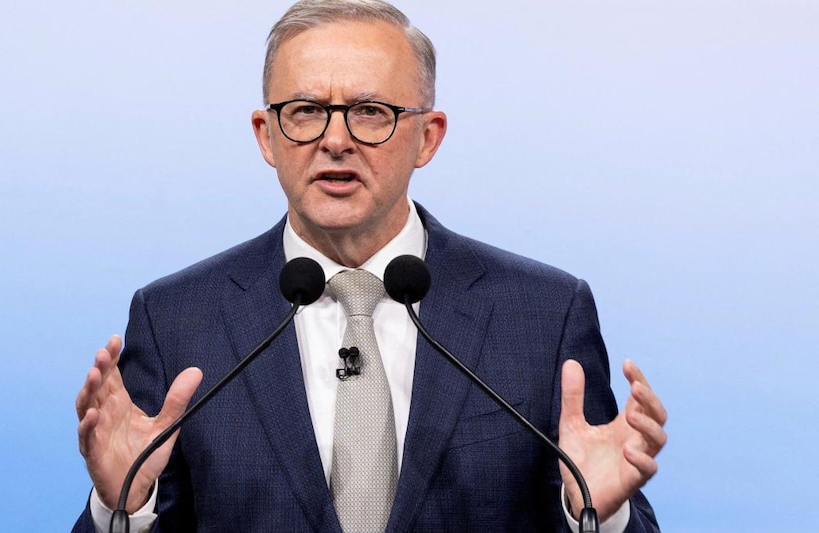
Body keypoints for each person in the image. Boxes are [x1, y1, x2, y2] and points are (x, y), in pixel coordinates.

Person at [73, 1, 667, 531]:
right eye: (305, 111)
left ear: (428, 138)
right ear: (266, 136)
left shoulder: (541, 314)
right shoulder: (177, 318)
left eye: (371, 112)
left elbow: (604, 504)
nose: (336, 140)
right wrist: (122, 507)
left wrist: (601, 513)